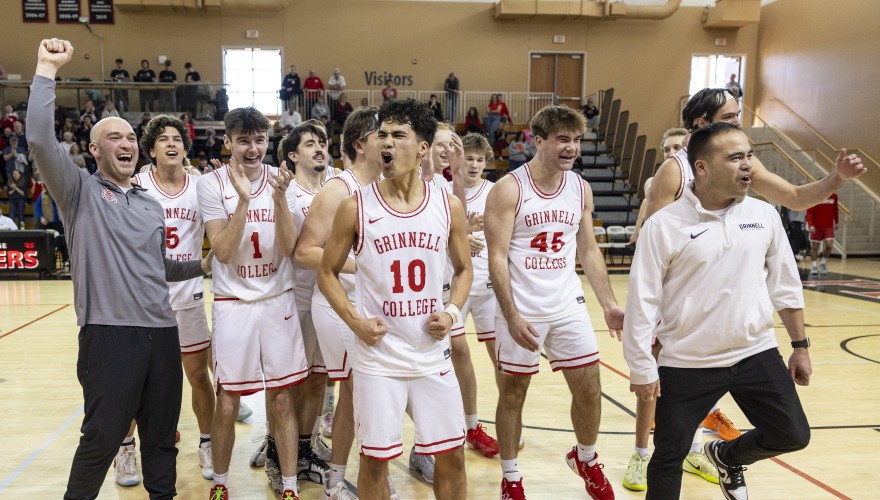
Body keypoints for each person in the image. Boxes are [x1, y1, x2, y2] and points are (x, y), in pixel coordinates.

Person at [27, 38, 209, 500]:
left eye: (131, 137)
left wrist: (203, 263)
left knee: (162, 440)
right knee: (103, 440)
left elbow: (156, 266)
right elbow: (39, 140)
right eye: (115, 136)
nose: (127, 142)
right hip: (109, 335)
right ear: (94, 150)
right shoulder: (79, 192)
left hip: (163, 333)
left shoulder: (149, 204)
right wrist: (47, 69)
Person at [623, 122, 812, 499]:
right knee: (669, 457)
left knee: (792, 434)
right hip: (687, 362)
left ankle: (726, 456)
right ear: (702, 167)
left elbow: (785, 284)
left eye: (750, 156)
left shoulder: (764, 215)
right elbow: (641, 301)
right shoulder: (664, 225)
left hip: (754, 352)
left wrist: (800, 345)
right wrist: (641, 366)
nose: (748, 166)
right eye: (735, 158)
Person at [318, 98, 471, 500]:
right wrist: (355, 322)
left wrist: (453, 312)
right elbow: (326, 272)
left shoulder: (447, 204)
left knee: (452, 455)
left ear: (422, 148)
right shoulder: (355, 206)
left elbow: (464, 269)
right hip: (379, 357)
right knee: (375, 461)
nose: (386, 142)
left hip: (430, 353)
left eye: (398, 135)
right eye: (382, 134)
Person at [484, 104, 621, 500]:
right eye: (562, 139)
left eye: (576, 140)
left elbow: (589, 250)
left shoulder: (580, 187)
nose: (571, 148)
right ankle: (510, 478)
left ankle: (586, 457)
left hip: (566, 304)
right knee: (513, 394)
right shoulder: (509, 188)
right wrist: (509, 315)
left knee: (590, 387)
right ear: (538, 140)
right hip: (521, 308)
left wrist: (609, 303)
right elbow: (497, 257)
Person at [197, 106, 307, 500]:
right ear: (227, 142)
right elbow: (223, 253)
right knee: (227, 401)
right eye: (243, 140)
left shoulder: (284, 182)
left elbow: (290, 248)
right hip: (233, 303)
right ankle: (222, 485)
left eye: (260, 139)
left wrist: (278, 200)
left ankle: (290, 487)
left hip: (277, 300)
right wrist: (243, 201)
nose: (253, 148)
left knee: (281, 399)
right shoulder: (211, 185)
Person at [294, 107, 384, 499]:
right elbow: (304, 251)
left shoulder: (387, 187)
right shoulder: (337, 190)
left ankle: (359, 474)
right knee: (355, 392)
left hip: (371, 307)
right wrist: (360, 265)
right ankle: (342, 480)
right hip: (335, 306)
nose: (393, 142)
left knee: (368, 393)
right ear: (362, 144)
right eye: (385, 135)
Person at [132, 114, 217, 481]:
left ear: (185, 146)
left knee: (199, 376)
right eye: (163, 139)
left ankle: (209, 443)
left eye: (177, 139)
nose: (171, 143)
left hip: (189, 294)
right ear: (150, 149)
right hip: (144, 299)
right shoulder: (136, 185)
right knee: (137, 380)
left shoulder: (201, 185)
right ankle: (125, 449)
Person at [807, 190, 838, 274]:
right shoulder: (814, 197)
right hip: (816, 226)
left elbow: (835, 210)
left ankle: (823, 263)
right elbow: (809, 212)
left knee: (829, 245)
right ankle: (814, 266)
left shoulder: (834, 196)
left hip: (828, 226)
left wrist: (837, 221)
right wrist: (810, 225)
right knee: (815, 248)